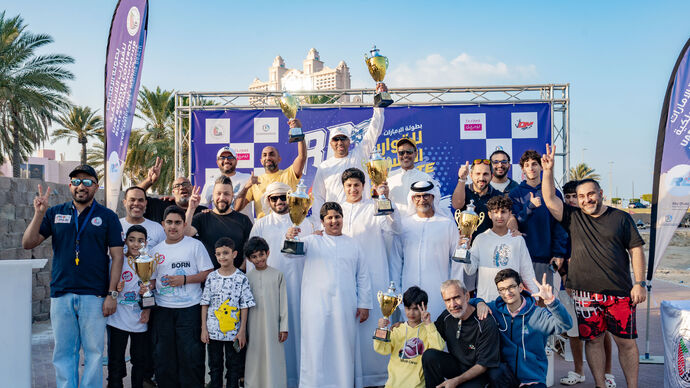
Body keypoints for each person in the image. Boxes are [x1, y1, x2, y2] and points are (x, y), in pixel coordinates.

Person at [541, 144, 646, 388]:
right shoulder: (573, 217)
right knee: (594, 341)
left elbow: (636, 250)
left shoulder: (621, 218)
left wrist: (639, 283)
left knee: (627, 343)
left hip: (620, 293)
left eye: (591, 194)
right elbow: (549, 199)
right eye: (581, 196)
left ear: (600, 193)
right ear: (576, 200)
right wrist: (548, 170)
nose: (586, 199)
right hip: (585, 295)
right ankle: (600, 384)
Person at [22, 164, 124, 388]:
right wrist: (38, 214)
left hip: (95, 296)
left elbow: (118, 257)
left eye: (87, 182)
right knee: (64, 353)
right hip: (62, 294)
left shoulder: (107, 217)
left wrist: (112, 294)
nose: (81, 186)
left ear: (96, 187)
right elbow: (28, 243)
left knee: (95, 353)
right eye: (76, 181)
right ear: (70, 186)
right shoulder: (55, 212)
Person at [285, 202, 372, 388]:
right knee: (315, 348)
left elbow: (363, 276)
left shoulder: (353, 244)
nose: (334, 221)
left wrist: (364, 304)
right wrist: (290, 237)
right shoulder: (311, 241)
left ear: (342, 218)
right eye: (329, 218)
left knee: (343, 349)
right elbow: (290, 255)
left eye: (337, 217)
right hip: (315, 307)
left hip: (345, 306)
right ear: (322, 221)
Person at [248, 181, 314, 387]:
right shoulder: (260, 224)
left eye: (283, 197)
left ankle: (298, 380)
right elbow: (251, 261)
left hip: (298, 287)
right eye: (274, 198)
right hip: (268, 292)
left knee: (297, 332)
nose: (279, 201)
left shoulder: (306, 224)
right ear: (268, 201)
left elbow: (312, 255)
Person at [339, 168, 401, 387]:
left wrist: (386, 199)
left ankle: (378, 378)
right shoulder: (338, 211)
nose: (353, 189)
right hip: (345, 280)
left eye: (357, 185)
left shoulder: (374, 207)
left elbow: (395, 228)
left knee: (373, 327)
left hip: (375, 277)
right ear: (343, 187)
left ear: (363, 186)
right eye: (349, 185)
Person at [558, 180, 616, 388]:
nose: (573, 200)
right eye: (569, 197)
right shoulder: (562, 219)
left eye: (576, 196)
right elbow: (560, 250)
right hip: (569, 283)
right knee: (574, 330)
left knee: (603, 332)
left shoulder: (596, 219)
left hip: (596, 284)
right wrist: (565, 273)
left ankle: (608, 374)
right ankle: (578, 371)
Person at [148, 206, 214, 388]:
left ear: (184, 224)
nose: (173, 227)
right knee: (164, 358)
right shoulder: (155, 252)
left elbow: (208, 273)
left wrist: (184, 279)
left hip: (190, 310)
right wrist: (143, 288)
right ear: (163, 224)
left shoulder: (195, 245)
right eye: (169, 222)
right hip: (163, 310)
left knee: (191, 358)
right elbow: (151, 281)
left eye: (178, 222)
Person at [474, 269, 572, 387]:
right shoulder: (494, 309)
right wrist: (479, 302)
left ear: (520, 287)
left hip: (532, 378)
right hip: (504, 376)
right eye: (502, 289)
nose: (507, 292)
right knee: (495, 372)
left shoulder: (538, 314)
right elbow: (468, 303)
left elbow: (566, 325)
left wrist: (551, 301)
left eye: (511, 287)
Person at [311, 84, 387, 216]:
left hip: (361, 215)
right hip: (334, 220)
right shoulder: (324, 167)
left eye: (343, 139)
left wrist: (378, 105)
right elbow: (318, 197)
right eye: (336, 139)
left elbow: (374, 130)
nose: (340, 142)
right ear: (331, 143)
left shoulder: (359, 155)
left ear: (349, 141)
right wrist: (319, 224)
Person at [421, 280, 500, 388]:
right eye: (447, 300)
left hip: (478, 373)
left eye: (456, 297)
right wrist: (404, 325)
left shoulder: (485, 322)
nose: (452, 304)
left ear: (467, 296)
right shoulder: (446, 317)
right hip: (456, 366)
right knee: (430, 356)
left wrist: (456, 381)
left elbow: (483, 365)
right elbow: (428, 335)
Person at [399, 180, 460, 320]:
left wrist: (455, 293)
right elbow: (396, 260)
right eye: (417, 196)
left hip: (438, 291)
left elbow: (457, 262)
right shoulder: (404, 225)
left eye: (426, 196)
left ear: (433, 197)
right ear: (412, 198)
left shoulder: (447, 224)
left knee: (437, 333)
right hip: (408, 289)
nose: (422, 200)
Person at [508, 150, 568, 288]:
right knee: (523, 302)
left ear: (541, 167)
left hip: (546, 259)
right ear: (523, 169)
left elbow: (560, 225)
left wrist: (558, 253)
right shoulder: (515, 194)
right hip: (521, 259)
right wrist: (530, 206)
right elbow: (516, 223)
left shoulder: (553, 192)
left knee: (545, 303)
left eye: (534, 164)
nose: (531, 168)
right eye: (527, 165)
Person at [200, 237, 255, 388]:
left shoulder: (241, 278)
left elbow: (245, 305)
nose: (222, 257)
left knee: (234, 368)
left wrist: (242, 330)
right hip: (213, 332)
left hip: (234, 334)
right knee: (215, 368)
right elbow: (205, 303)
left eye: (226, 253)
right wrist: (204, 329)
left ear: (234, 254)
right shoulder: (211, 277)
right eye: (218, 254)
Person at [463, 195, 538, 302]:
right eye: (495, 212)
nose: (499, 216)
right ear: (489, 214)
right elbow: (470, 270)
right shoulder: (480, 239)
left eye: (503, 212)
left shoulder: (517, 240)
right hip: (487, 302)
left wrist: (536, 295)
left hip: (512, 302)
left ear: (510, 214)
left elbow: (527, 271)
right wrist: (465, 250)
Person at [107, 225, 152, 388]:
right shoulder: (117, 260)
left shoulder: (148, 262)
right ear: (125, 240)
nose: (135, 244)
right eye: (132, 240)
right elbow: (108, 286)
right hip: (117, 318)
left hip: (139, 319)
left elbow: (151, 290)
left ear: (146, 243)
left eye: (140, 241)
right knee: (116, 358)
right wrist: (115, 288)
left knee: (139, 359)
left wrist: (147, 309)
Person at [234, 119, 307, 218]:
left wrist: (298, 130)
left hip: (289, 227)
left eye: (271, 154)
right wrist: (246, 187)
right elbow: (237, 208)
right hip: (264, 230)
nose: (268, 157)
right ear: (261, 161)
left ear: (279, 159)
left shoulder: (289, 173)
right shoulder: (255, 182)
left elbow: (302, 157)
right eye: (264, 155)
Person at [373, 286, 444, 388]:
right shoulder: (397, 330)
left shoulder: (429, 330)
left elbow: (439, 348)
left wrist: (428, 323)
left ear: (425, 307)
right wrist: (381, 330)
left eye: (415, 309)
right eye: (408, 308)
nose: (411, 313)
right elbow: (382, 350)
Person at [244, 237, 289, 388]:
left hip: (273, 326)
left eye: (261, 255)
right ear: (249, 259)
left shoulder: (278, 275)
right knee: (254, 356)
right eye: (254, 257)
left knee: (273, 356)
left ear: (268, 253)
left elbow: (283, 302)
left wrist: (283, 326)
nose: (258, 259)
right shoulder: (246, 278)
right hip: (253, 326)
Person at [186, 176, 253, 270]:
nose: (222, 198)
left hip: (237, 279)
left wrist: (241, 270)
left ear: (232, 196)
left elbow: (252, 248)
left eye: (226, 194)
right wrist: (191, 209)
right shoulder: (202, 218)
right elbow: (185, 234)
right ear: (212, 195)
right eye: (218, 193)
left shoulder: (243, 220)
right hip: (208, 279)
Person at [200, 146, 254, 218]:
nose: (226, 161)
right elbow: (202, 207)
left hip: (245, 227)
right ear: (217, 162)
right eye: (222, 158)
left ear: (236, 161)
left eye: (230, 157)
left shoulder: (248, 178)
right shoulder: (210, 182)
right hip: (221, 227)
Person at [387, 137, 437, 214]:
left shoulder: (425, 178)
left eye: (409, 152)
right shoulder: (389, 178)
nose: (405, 155)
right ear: (397, 155)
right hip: (394, 224)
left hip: (417, 224)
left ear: (415, 153)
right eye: (401, 153)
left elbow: (433, 206)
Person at [141, 174, 208, 223]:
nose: (182, 187)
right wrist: (149, 181)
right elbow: (134, 196)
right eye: (177, 186)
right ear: (173, 192)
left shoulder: (202, 211)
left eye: (185, 184)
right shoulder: (160, 205)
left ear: (193, 188)